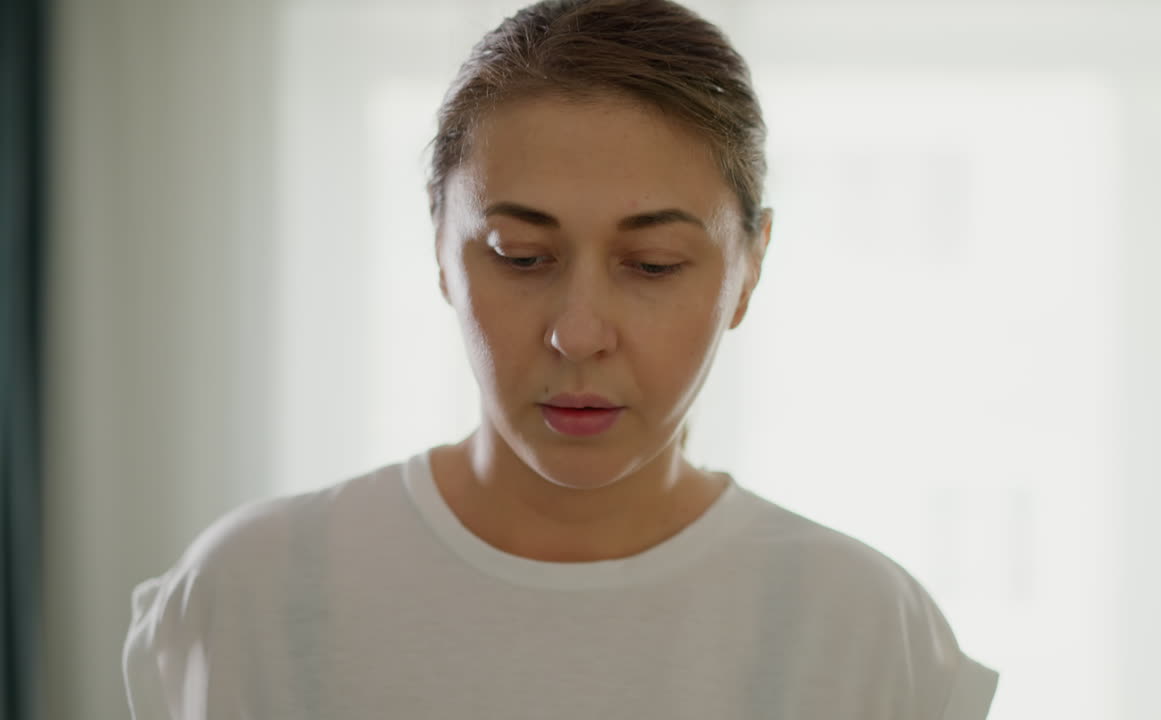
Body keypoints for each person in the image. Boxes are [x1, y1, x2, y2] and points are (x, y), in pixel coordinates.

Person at [122, 1, 1000, 717]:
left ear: (749, 268)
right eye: (518, 255)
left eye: (652, 266)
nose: (578, 334)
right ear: (440, 249)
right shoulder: (253, 593)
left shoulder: (861, 629)